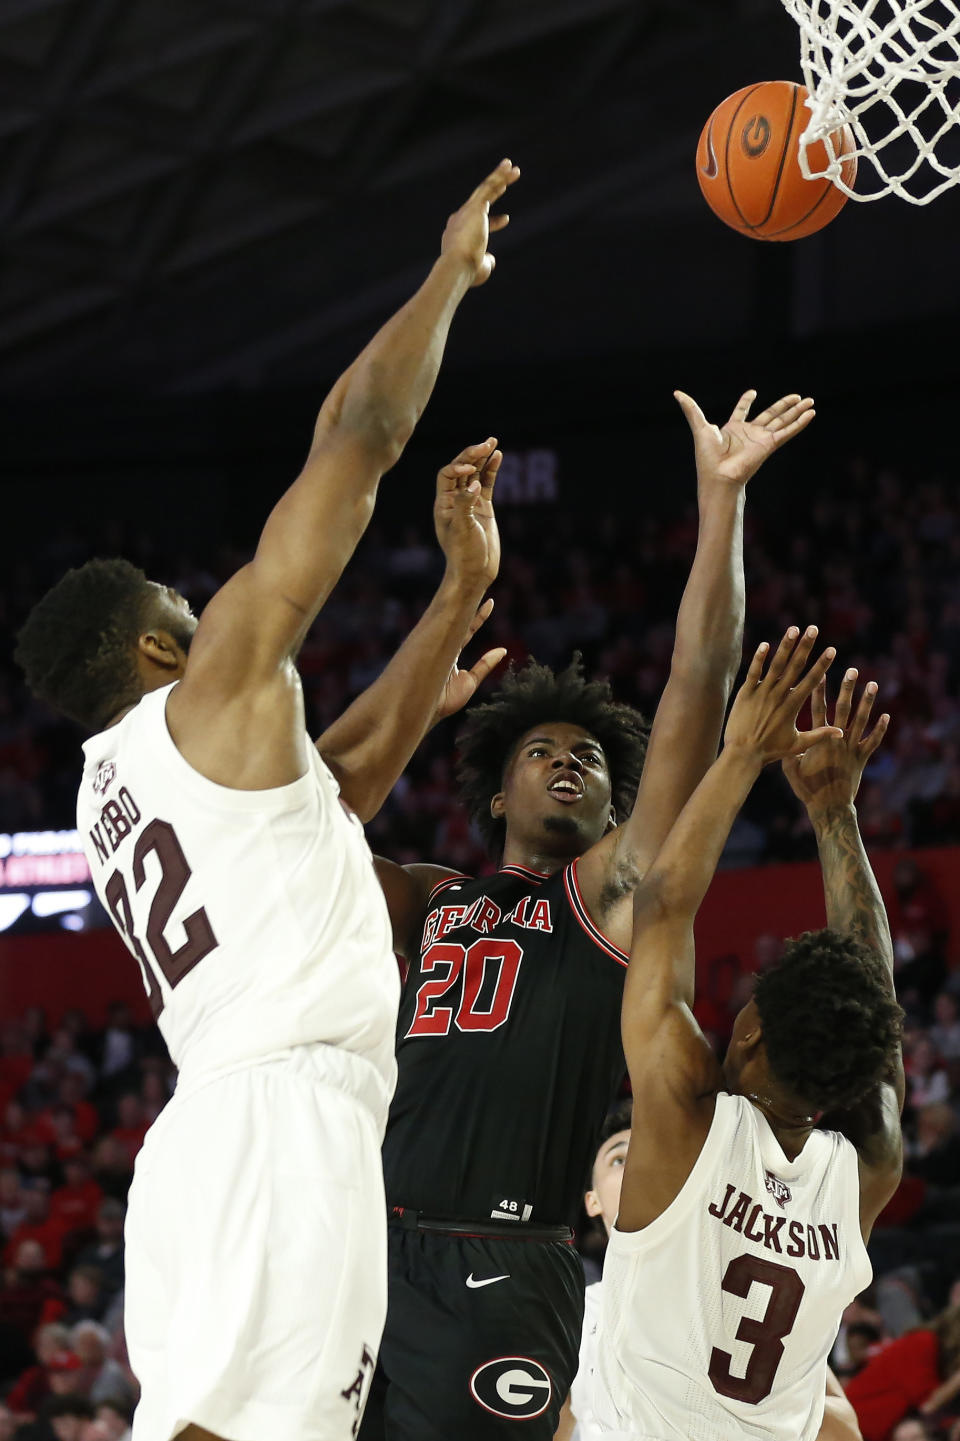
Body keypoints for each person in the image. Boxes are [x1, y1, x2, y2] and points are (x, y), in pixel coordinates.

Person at [14, 158, 520, 1441]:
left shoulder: (111, 790)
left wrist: (453, 606)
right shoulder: (212, 686)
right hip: (285, 1120)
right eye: (186, 613)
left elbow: (331, 791)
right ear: (156, 649)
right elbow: (356, 435)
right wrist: (447, 278)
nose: (211, 614)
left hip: (212, 1136)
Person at [365, 387, 818, 1440]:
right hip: (365, 1243)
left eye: (590, 758)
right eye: (540, 750)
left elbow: (695, 686)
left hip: (508, 1257)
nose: (567, 760)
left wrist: (723, 505)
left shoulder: (602, 895)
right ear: (493, 792)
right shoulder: (429, 897)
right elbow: (309, 815)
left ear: (618, 807)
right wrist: (422, 685)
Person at [593, 634, 905, 1441]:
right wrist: (835, 812)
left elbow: (660, 906)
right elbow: (877, 1010)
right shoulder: (864, 1170)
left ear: (754, 1028)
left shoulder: (688, 1117)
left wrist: (740, 757)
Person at [845, 1303, 960, 1441]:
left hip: (874, 1427)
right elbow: (928, 1404)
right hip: (857, 1424)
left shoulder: (933, 1349)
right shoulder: (923, 1342)